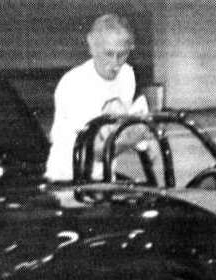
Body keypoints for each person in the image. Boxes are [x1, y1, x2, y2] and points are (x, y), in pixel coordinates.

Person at [45, 14, 148, 182]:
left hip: (105, 176)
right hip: (68, 179)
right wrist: (135, 137)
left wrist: (142, 143)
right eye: (108, 54)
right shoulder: (74, 84)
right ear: (92, 46)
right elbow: (97, 151)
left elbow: (120, 128)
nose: (115, 63)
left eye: (122, 54)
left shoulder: (127, 75)